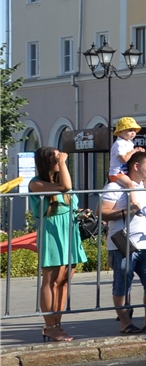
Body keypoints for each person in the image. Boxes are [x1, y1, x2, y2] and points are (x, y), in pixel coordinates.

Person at [102, 150, 146, 332]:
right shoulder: (114, 187)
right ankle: (125, 323)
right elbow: (102, 212)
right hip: (123, 245)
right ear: (136, 166)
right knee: (122, 285)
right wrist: (125, 212)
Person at [29, 147, 87, 343]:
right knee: (51, 280)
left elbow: (68, 193)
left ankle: (57, 322)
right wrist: (63, 163)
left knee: (63, 280)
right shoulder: (36, 183)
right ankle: (49, 326)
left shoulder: (60, 179)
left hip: (69, 230)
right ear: (47, 161)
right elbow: (66, 188)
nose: (60, 158)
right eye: (56, 157)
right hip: (52, 231)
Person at [108, 116, 142, 182]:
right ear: (120, 131)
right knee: (130, 185)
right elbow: (124, 159)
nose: (133, 133)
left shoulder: (129, 143)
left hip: (126, 172)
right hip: (117, 173)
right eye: (130, 130)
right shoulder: (119, 144)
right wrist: (134, 151)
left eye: (134, 130)